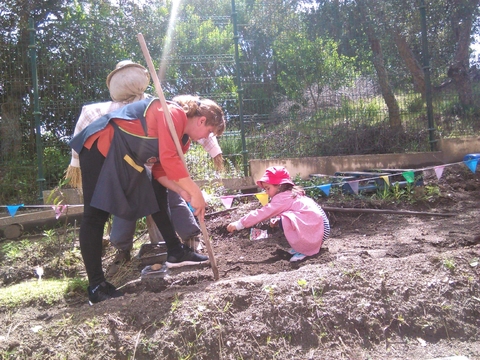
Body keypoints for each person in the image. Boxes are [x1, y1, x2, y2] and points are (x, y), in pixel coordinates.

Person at [65, 60, 224, 273]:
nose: (206, 138)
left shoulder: (183, 140)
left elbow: (159, 171)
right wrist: (196, 193)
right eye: (210, 132)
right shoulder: (172, 113)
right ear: (202, 121)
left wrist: (182, 190)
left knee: (157, 193)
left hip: (124, 156)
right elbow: (169, 160)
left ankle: (176, 252)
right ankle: (96, 286)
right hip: (99, 145)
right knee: (95, 215)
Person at [227, 166, 330, 262]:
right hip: (320, 224)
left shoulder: (282, 198)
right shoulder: (291, 194)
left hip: (318, 227)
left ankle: (306, 250)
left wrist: (240, 224)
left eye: (268, 188)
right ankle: (303, 247)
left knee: (284, 221)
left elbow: (262, 213)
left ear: (279, 186)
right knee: (283, 221)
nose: (266, 192)